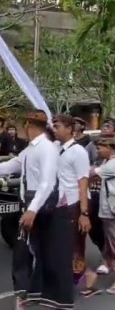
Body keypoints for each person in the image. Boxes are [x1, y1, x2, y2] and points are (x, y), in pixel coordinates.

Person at [0, 110, 71, 310]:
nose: (21, 130)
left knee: (42, 253)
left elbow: (47, 183)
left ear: (29, 126)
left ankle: (50, 296)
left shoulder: (46, 149)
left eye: (23, 126)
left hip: (42, 206)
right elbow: (12, 165)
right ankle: (26, 294)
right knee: (26, 252)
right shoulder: (31, 149)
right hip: (31, 203)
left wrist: (31, 210)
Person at [52, 114, 91, 287]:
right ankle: (67, 278)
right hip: (59, 202)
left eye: (57, 126)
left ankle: (83, 280)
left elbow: (83, 182)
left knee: (76, 244)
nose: (54, 129)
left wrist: (84, 213)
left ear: (69, 129)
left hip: (75, 203)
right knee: (61, 243)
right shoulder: (54, 148)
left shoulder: (78, 152)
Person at [84, 136, 115, 295]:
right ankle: (109, 264)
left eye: (101, 147)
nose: (98, 150)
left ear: (110, 147)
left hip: (112, 211)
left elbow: (90, 173)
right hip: (108, 211)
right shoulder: (106, 162)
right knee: (110, 245)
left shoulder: (112, 164)